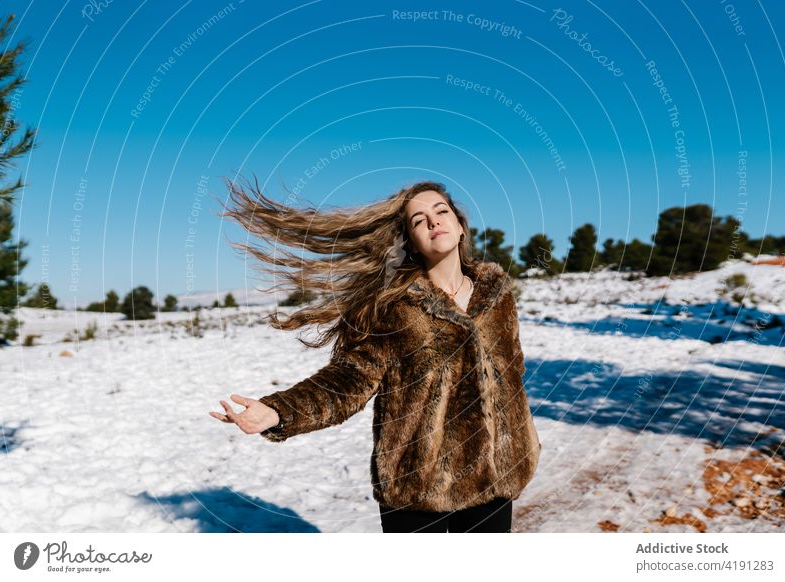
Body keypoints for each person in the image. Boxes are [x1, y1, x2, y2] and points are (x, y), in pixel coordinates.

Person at [210, 178, 542, 532]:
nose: (433, 221)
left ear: (460, 227)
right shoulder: (391, 307)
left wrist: (521, 441)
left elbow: (511, 373)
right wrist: (279, 411)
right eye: (418, 220)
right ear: (411, 243)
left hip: (494, 480)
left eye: (441, 211)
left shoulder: (498, 295)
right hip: (417, 486)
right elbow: (348, 380)